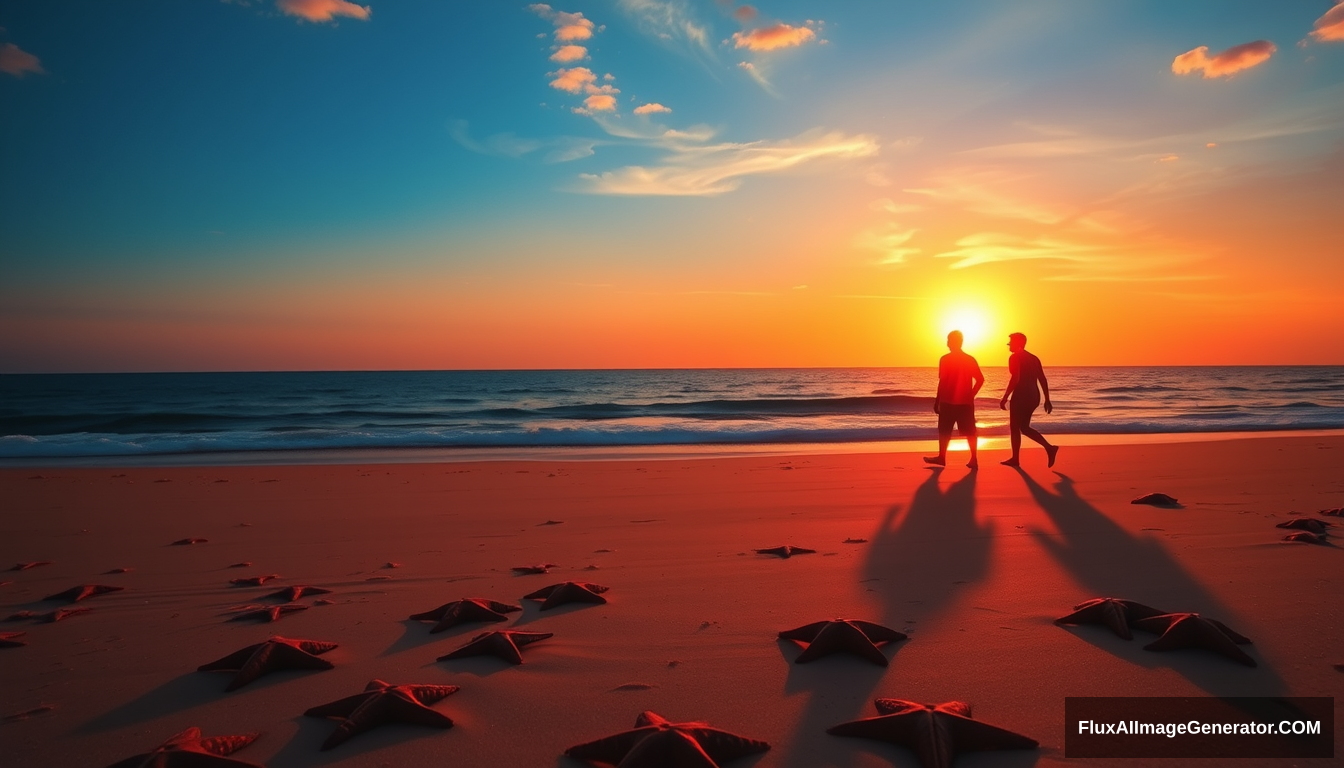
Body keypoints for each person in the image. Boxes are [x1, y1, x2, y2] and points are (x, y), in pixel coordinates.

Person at [924, 330, 985, 469]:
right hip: (965, 403)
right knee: (970, 431)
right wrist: (971, 394)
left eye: (948, 340)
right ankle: (974, 458)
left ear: (953, 342)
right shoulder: (970, 359)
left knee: (945, 430)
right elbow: (980, 380)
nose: (947, 343)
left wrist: (937, 400)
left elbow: (943, 381)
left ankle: (942, 457)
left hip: (948, 401)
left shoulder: (945, 359)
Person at [998, 332, 1058, 468]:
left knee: (1015, 427)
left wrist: (1005, 397)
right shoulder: (1034, 358)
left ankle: (1015, 459)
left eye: (1010, 343)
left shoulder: (1014, 357)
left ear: (1018, 343)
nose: (1009, 346)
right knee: (1024, 427)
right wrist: (1047, 399)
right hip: (1034, 396)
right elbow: (1042, 378)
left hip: (1021, 395)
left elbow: (1016, 378)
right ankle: (1049, 448)